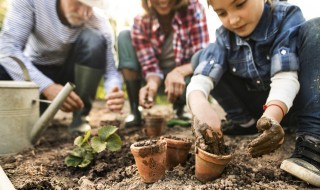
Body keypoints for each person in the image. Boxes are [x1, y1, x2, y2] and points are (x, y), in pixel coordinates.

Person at [186, 0, 320, 187]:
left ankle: (313, 140)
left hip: (294, 105)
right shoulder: (224, 36)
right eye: (222, 13)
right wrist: (200, 107)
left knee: (317, 28)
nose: (233, 19)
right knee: (200, 58)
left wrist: (272, 115)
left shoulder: (286, 17)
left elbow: (285, 77)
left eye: (240, 4)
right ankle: (246, 123)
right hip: (260, 111)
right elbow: (201, 79)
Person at [0, 0, 124, 133]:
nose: (84, 13)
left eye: (91, 7)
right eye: (79, 3)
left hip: (70, 77)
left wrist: (113, 89)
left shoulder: (99, 21)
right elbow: (7, 48)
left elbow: (111, 71)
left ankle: (80, 116)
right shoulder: (31, 2)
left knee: (94, 40)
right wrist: (46, 86)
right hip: (36, 73)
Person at [117, 0, 209, 128]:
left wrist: (178, 72)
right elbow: (149, 65)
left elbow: (201, 57)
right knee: (124, 36)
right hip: (155, 80)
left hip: (184, 79)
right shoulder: (140, 21)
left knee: (201, 73)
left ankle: (179, 108)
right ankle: (134, 109)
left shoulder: (194, 9)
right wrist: (152, 84)